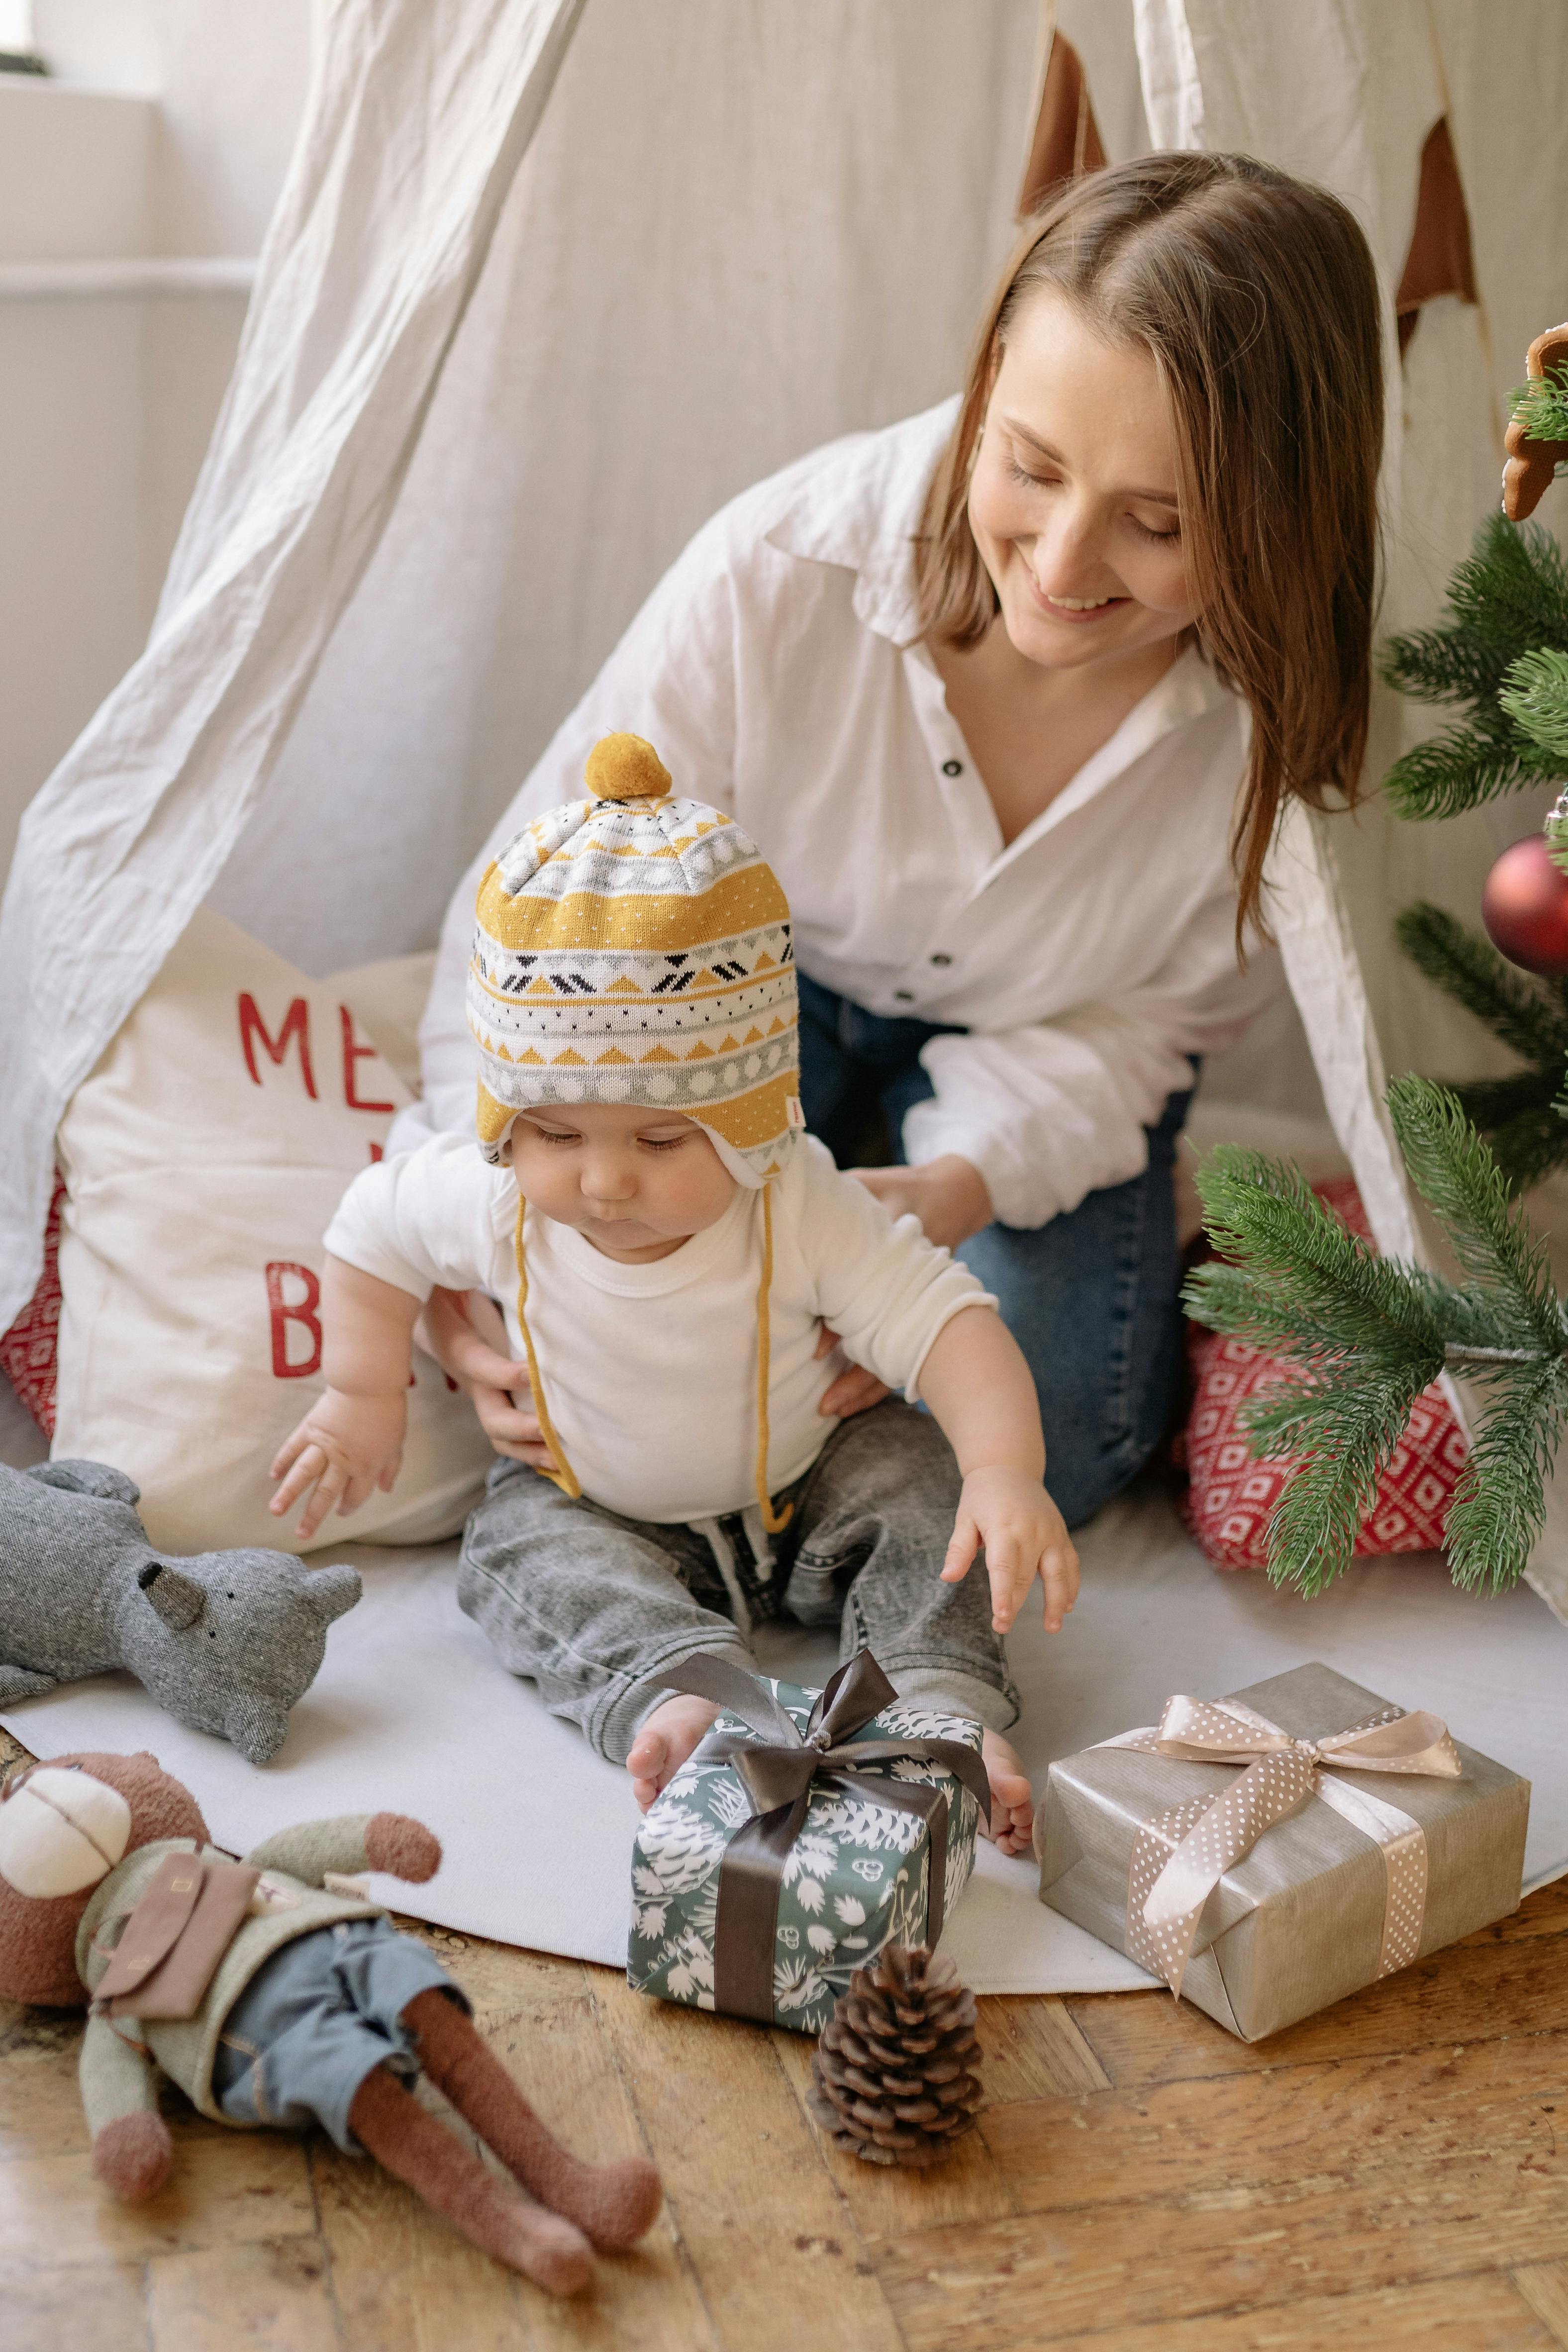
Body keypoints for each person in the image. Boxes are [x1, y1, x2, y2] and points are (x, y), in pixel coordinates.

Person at [405, 152, 1384, 1531]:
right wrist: (486, 1247)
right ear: (986, 389)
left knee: (1047, 1416)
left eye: (1158, 524)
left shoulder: (1282, 727)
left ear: (1279, 524)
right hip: (743, 1000)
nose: (1059, 563)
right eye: (1031, 469)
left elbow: (1146, 1021)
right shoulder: (781, 572)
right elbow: (544, 918)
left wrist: (960, 1184)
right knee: (628, 1313)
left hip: (1052, 1048)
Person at [272, 737, 1078, 1853]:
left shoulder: (795, 1196)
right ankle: (679, 1689)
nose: (601, 1182)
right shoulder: (495, 1194)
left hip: (810, 1494)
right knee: (511, 1542)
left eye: (659, 1138)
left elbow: (947, 1322)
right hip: (607, 1507)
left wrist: (1005, 1472)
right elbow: (372, 1228)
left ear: (752, 1118)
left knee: (926, 1479)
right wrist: (363, 1391)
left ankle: (928, 1703)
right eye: (555, 1134)